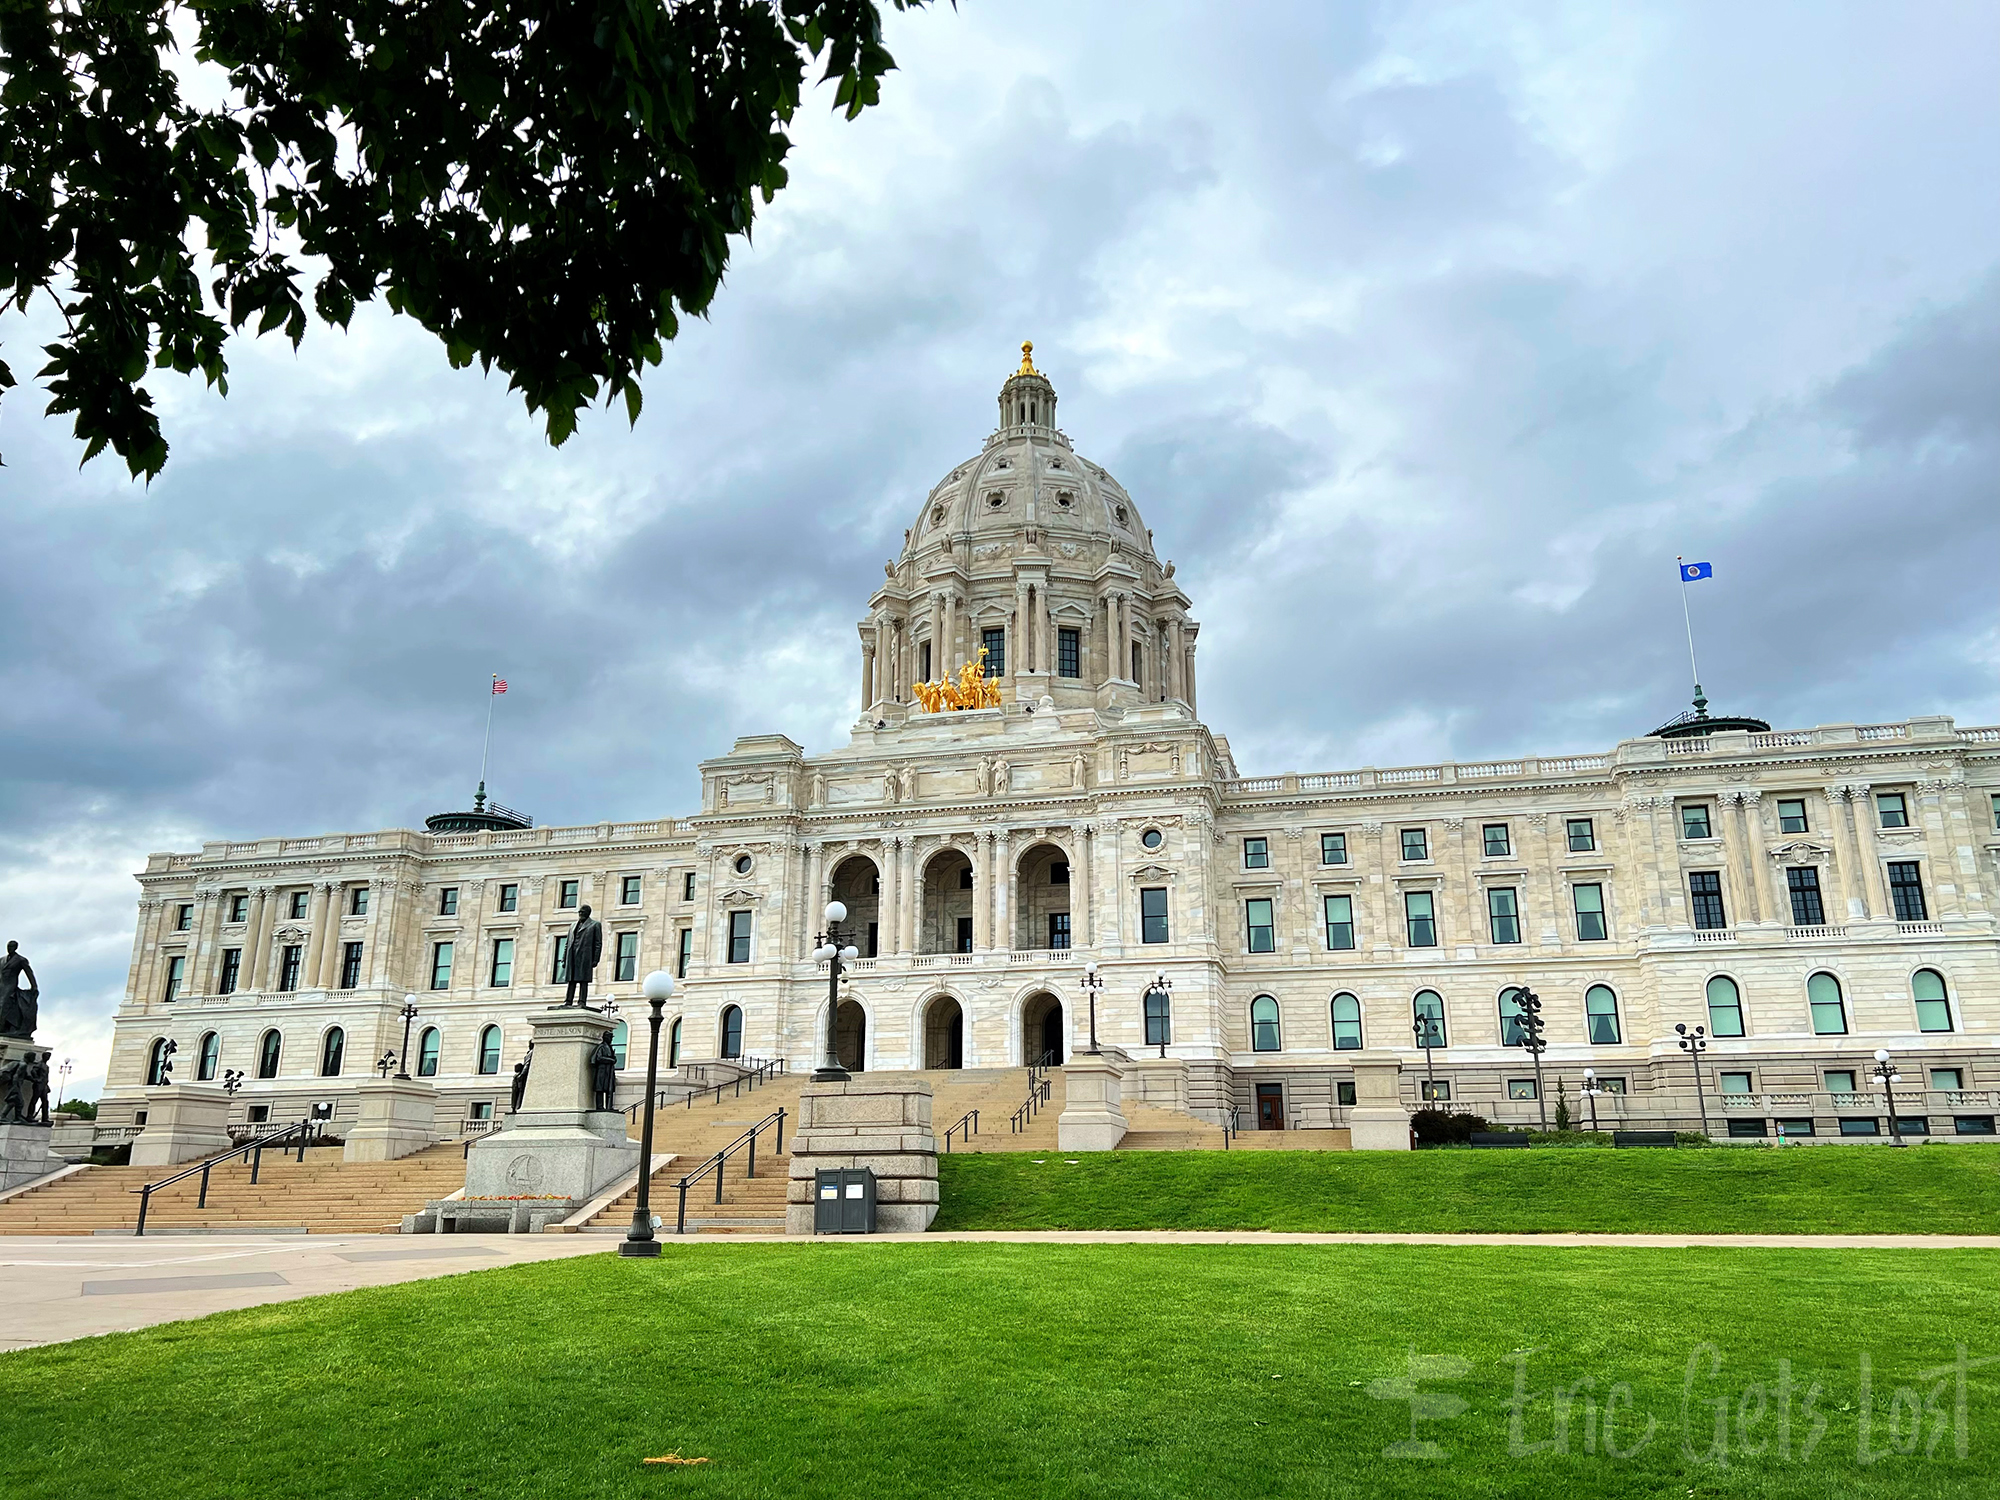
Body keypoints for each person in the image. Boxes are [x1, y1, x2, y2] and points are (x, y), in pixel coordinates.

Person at [563, 906, 603, 1007]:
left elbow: (598, 944)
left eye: (582, 912)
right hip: (571, 956)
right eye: (579, 911)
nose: (580, 913)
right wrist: (564, 959)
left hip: (585, 956)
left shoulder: (595, 925)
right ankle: (568, 1001)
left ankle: (582, 1001)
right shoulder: (572, 926)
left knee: (583, 980)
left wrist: (595, 959)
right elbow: (567, 943)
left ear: (588, 913)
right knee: (571, 980)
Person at [0, 941, 37, 1039]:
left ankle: (2, 1028)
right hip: (1, 985)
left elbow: (29, 973)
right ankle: (5, 1028)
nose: (9, 948)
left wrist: (34, 986)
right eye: (8, 946)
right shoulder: (2, 960)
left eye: (12, 946)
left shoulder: (21, 960)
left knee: (3, 1006)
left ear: (16, 947)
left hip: (10, 986)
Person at [590, 1032, 619, 1111]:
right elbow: (599, 1058)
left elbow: (613, 1058)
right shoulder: (601, 1047)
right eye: (610, 1037)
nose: (611, 1039)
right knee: (600, 1089)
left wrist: (614, 1059)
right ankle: (600, 1106)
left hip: (609, 1071)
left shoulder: (610, 1047)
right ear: (606, 1038)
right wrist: (610, 1060)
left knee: (609, 1089)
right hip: (602, 1071)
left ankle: (609, 1106)